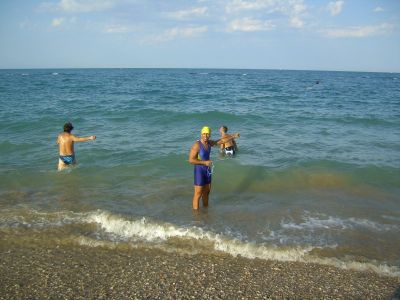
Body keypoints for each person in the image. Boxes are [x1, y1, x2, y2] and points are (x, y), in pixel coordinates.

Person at [188, 126, 240, 210]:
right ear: (201, 134)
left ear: (210, 135)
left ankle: (205, 211)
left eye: (207, 134)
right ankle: (196, 216)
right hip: (199, 171)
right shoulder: (197, 145)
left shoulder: (209, 143)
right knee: (198, 193)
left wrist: (233, 136)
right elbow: (191, 160)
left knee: (207, 192)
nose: (206, 135)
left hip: (207, 170)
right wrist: (204, 162)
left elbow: (222, 141)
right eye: (204, 133)